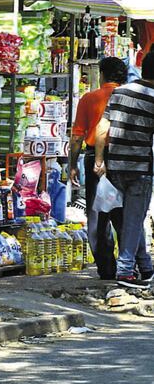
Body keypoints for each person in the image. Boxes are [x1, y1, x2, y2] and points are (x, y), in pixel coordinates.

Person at [94, 52, 154, 289]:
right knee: (133, 219)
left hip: (116, 165)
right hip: (140, 168)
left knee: (131, 219)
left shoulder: (120, 92)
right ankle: (126, 270)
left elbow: (103, 126)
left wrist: (100, 159)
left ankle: (146, 266)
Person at [69, 57, 127, 279]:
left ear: (102, 74)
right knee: (123, 214)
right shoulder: (129, 97)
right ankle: (127, 266)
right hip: (126, 159)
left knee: (98, 216)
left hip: (96, 160)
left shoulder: (90, 98)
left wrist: (72, 165)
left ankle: (106, 268)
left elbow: (77, 137)